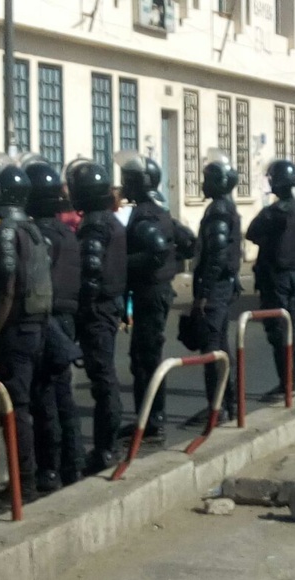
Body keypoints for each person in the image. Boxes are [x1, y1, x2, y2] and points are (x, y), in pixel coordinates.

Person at [0, 160, 52, 507]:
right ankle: (29, 477)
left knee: (16, 407)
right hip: (37, 327)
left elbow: (6, 287)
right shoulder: (33, 229)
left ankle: (22, 484)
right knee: (26, 404)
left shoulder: (6, 231)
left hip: (17, 329)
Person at [23, 155, 84, 491]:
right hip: (66, 315)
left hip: (49, 319)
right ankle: (70, 464)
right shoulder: (66, 232)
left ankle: (50, 468)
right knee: (62, 396)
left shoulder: (40, 237)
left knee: (45, 398)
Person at [66, 158, 127, 474]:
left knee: (103, 381)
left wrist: (80, 313)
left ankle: (106, 449)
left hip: (97, 310)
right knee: (105, 378)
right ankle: (108, 445)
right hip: (111, 306)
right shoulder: (112, 222)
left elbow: (90, 274)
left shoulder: (94, 225)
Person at [115, 152, 180, 444]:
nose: (123, 184)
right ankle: (150, 417)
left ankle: (152, 421)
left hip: (150, 292)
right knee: (145, 357)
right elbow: (184, 240)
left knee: (146, 359)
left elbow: (156, 250)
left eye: (127, 179)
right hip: (155, 291)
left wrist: (121, 264)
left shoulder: (145, 213)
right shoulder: (159, 209)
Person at [247, 159, 295, 403]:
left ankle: (286, 383)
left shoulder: (275, 212)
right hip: (294, 276)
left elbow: (252, 232)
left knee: (278, 332)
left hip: (276, 278)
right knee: (290, 328)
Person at [187, 151, 241, 425]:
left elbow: (217, 255)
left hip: (216, 289)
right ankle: (226, 402)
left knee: (211, 349)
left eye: (207, 179)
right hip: (223, 287)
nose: (202, 184)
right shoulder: (225, 207)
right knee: (220, 346)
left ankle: (216, 408)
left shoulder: (219, 210)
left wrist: (203, 295)